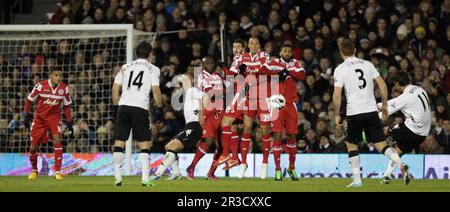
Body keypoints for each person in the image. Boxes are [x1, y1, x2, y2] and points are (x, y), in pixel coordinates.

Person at [332, 39, 411, 188]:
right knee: (380, 143)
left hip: (354, 112)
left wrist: (337, 114)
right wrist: (385, 105)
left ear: (341, 52)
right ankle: (401, 163)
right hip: (371, 111)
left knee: (352, 144)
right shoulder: (368, 64)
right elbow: (382, 84)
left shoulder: (340, 69)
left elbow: (337, 95)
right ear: (355, 50)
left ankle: (357, 181)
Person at [112, 42, 163, 187]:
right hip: (140, 107)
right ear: (150, 54)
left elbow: (115, 89)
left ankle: (117, 176)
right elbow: (156, 90)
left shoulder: (125, 67)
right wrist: (160, 108)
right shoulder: (153, 69)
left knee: (120, 141)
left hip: (123, 106)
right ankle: (145, 179)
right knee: (144, 143)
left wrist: (116, 107)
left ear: (136, 53)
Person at [258, 44, 306, 181]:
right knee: (277, 135)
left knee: (291, 135)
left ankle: (291, 167)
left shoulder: (295, 63)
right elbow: (261, 71)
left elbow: (302, 75)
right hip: (276, 104)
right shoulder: (274, 63)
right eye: (284, 51)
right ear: (280, 52)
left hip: (291, 104)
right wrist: (278, 73)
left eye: (289, 51)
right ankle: (278, 169)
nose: (287, 53)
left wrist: (288, 72)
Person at [228, 37, 273, 179]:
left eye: (256, 43)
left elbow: (264, 70)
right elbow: (232, 73)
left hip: (264, 98)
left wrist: (248, 72)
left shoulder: (264, 55)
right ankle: (244, 164)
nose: (253, 45)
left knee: (265, 130)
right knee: (246, 129)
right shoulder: (243, 57)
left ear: (259, 45)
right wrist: (238, 72)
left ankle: (265, 165)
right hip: (250, 98)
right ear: (248, 45)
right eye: (251, 43)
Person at [380, 71, 431, 184]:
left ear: (397, 83)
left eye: (394, 84)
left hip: (413, 130)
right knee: (398, 150)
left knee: (384, 132)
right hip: (423, 133)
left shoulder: (406, 97)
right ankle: (387, 176)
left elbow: (386, 108)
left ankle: (401, 165)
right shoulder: (419, 89)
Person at [150, 75, 204, 180]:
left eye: (185, 79)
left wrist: (201, 115)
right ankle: (176, 173)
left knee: (173, 147)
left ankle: (158, 173)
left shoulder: (193, 90)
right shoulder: (186, 95)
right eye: (182, 80)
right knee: (168, 146)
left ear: (191, 81)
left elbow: (204, 97)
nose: (183, 82)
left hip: (195, 125)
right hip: (189, 125)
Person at [24, 66, 74, 181]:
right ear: (50, 76)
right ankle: (34, 170)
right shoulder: (41, 86)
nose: (59, 77)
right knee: (33, 147)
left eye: (60, 75)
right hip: (39, 119)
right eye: (56, 75)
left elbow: (66, 106)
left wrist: (69, 121)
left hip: (54, 119)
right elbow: (29, 100)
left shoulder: (64, 88)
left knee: (57, 140)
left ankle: (57, 171)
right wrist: (26, 115)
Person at [186, 56, 225, 181]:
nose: (209, 64)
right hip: (208, 110)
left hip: (220, 110)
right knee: (208, 140)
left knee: (222, 145)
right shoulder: (202, 76)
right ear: (202, 65)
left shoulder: (217, 76)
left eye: (212, 62)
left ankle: (211, 172)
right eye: (206, 62)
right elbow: (211, 93)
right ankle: (191, 167)